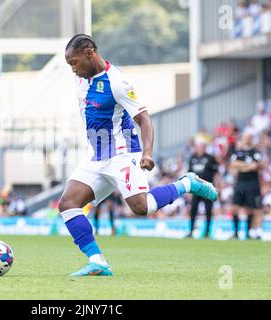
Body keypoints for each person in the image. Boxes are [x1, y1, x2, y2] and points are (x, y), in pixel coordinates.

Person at [59, 34, 218, 277]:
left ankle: (187, 183)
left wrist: (147, 153)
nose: (73, 70)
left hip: (122, 154)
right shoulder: (82, 81)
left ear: (90, 52)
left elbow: (144, 119)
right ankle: (97, 261)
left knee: (142, 208)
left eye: (74, 63)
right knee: (68, 204)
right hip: (96, 155)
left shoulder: (118, 82)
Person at [229, 132, 263, 240]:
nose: (247, 139)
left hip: (252, 183)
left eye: (249, 137)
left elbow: (256, 166)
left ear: (251, 139)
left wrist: (241, 166)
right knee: (234, 207)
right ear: (243, 138)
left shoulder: (255, 152)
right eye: (246, 137)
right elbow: (233, 164)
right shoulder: (238, 152)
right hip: (240, 182)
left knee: (250, 209)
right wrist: (247, 166)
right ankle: (235, 233)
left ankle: (248, 232)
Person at [187, 140, 219, 238]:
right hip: (196, 189)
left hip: (207, 188)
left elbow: (216, 173)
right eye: (198, 146)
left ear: (205, 147)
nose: (200, 148)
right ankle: (191, 230)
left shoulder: (210, 158)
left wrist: (217, 186)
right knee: (193, 209)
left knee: (208, 209)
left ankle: (207, 232)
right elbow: (189, 174)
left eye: (202, 146)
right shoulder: (192, 158)